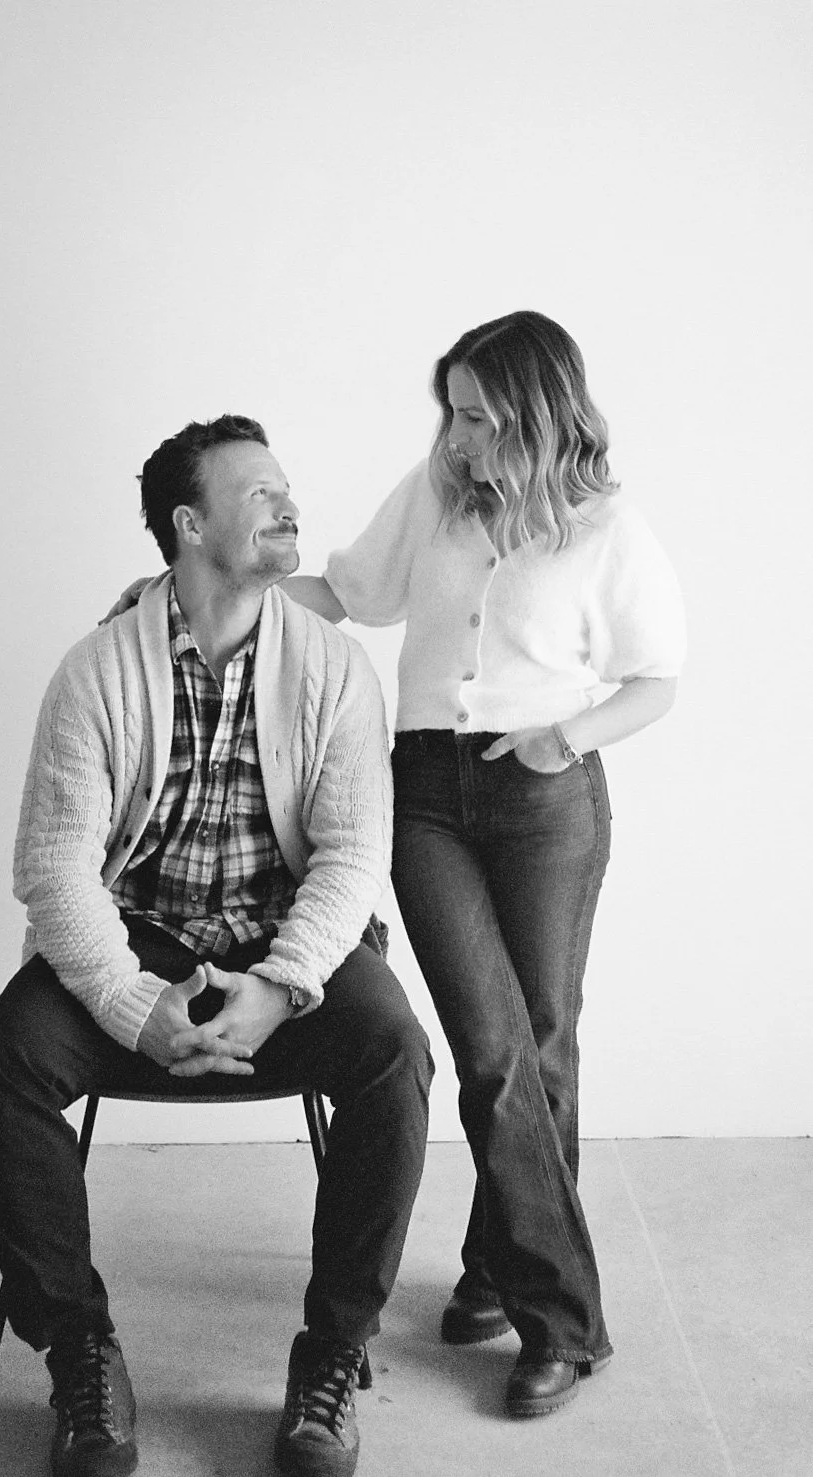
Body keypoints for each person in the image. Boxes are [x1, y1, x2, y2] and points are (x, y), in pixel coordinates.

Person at [0, 414, 433, 1477]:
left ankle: (329, 1357)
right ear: (188, 524)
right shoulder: (94, 671)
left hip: (282, 946)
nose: (287, 503)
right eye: (257, 490)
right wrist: (135, 1004)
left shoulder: (332, 669)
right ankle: (80, 1352)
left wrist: (278, 986)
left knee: (395, 1055)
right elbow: (53, 866)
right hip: (140, 942)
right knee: (4, 1062)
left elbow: (356, 854)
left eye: (285, 487)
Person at [284, 310, 687, 1416]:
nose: (455, 436)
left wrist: (566, 737)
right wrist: (203, 584)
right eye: (448, 412)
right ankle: (566, 1319)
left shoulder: (603, 526)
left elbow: (657, 676)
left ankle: (499, 1279)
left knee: (538, 1048)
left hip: (546, 795)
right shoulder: (429, 498)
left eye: (474, 414)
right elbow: (349, 594)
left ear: (533, 410)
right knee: (493, 1048)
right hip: (423, 796)